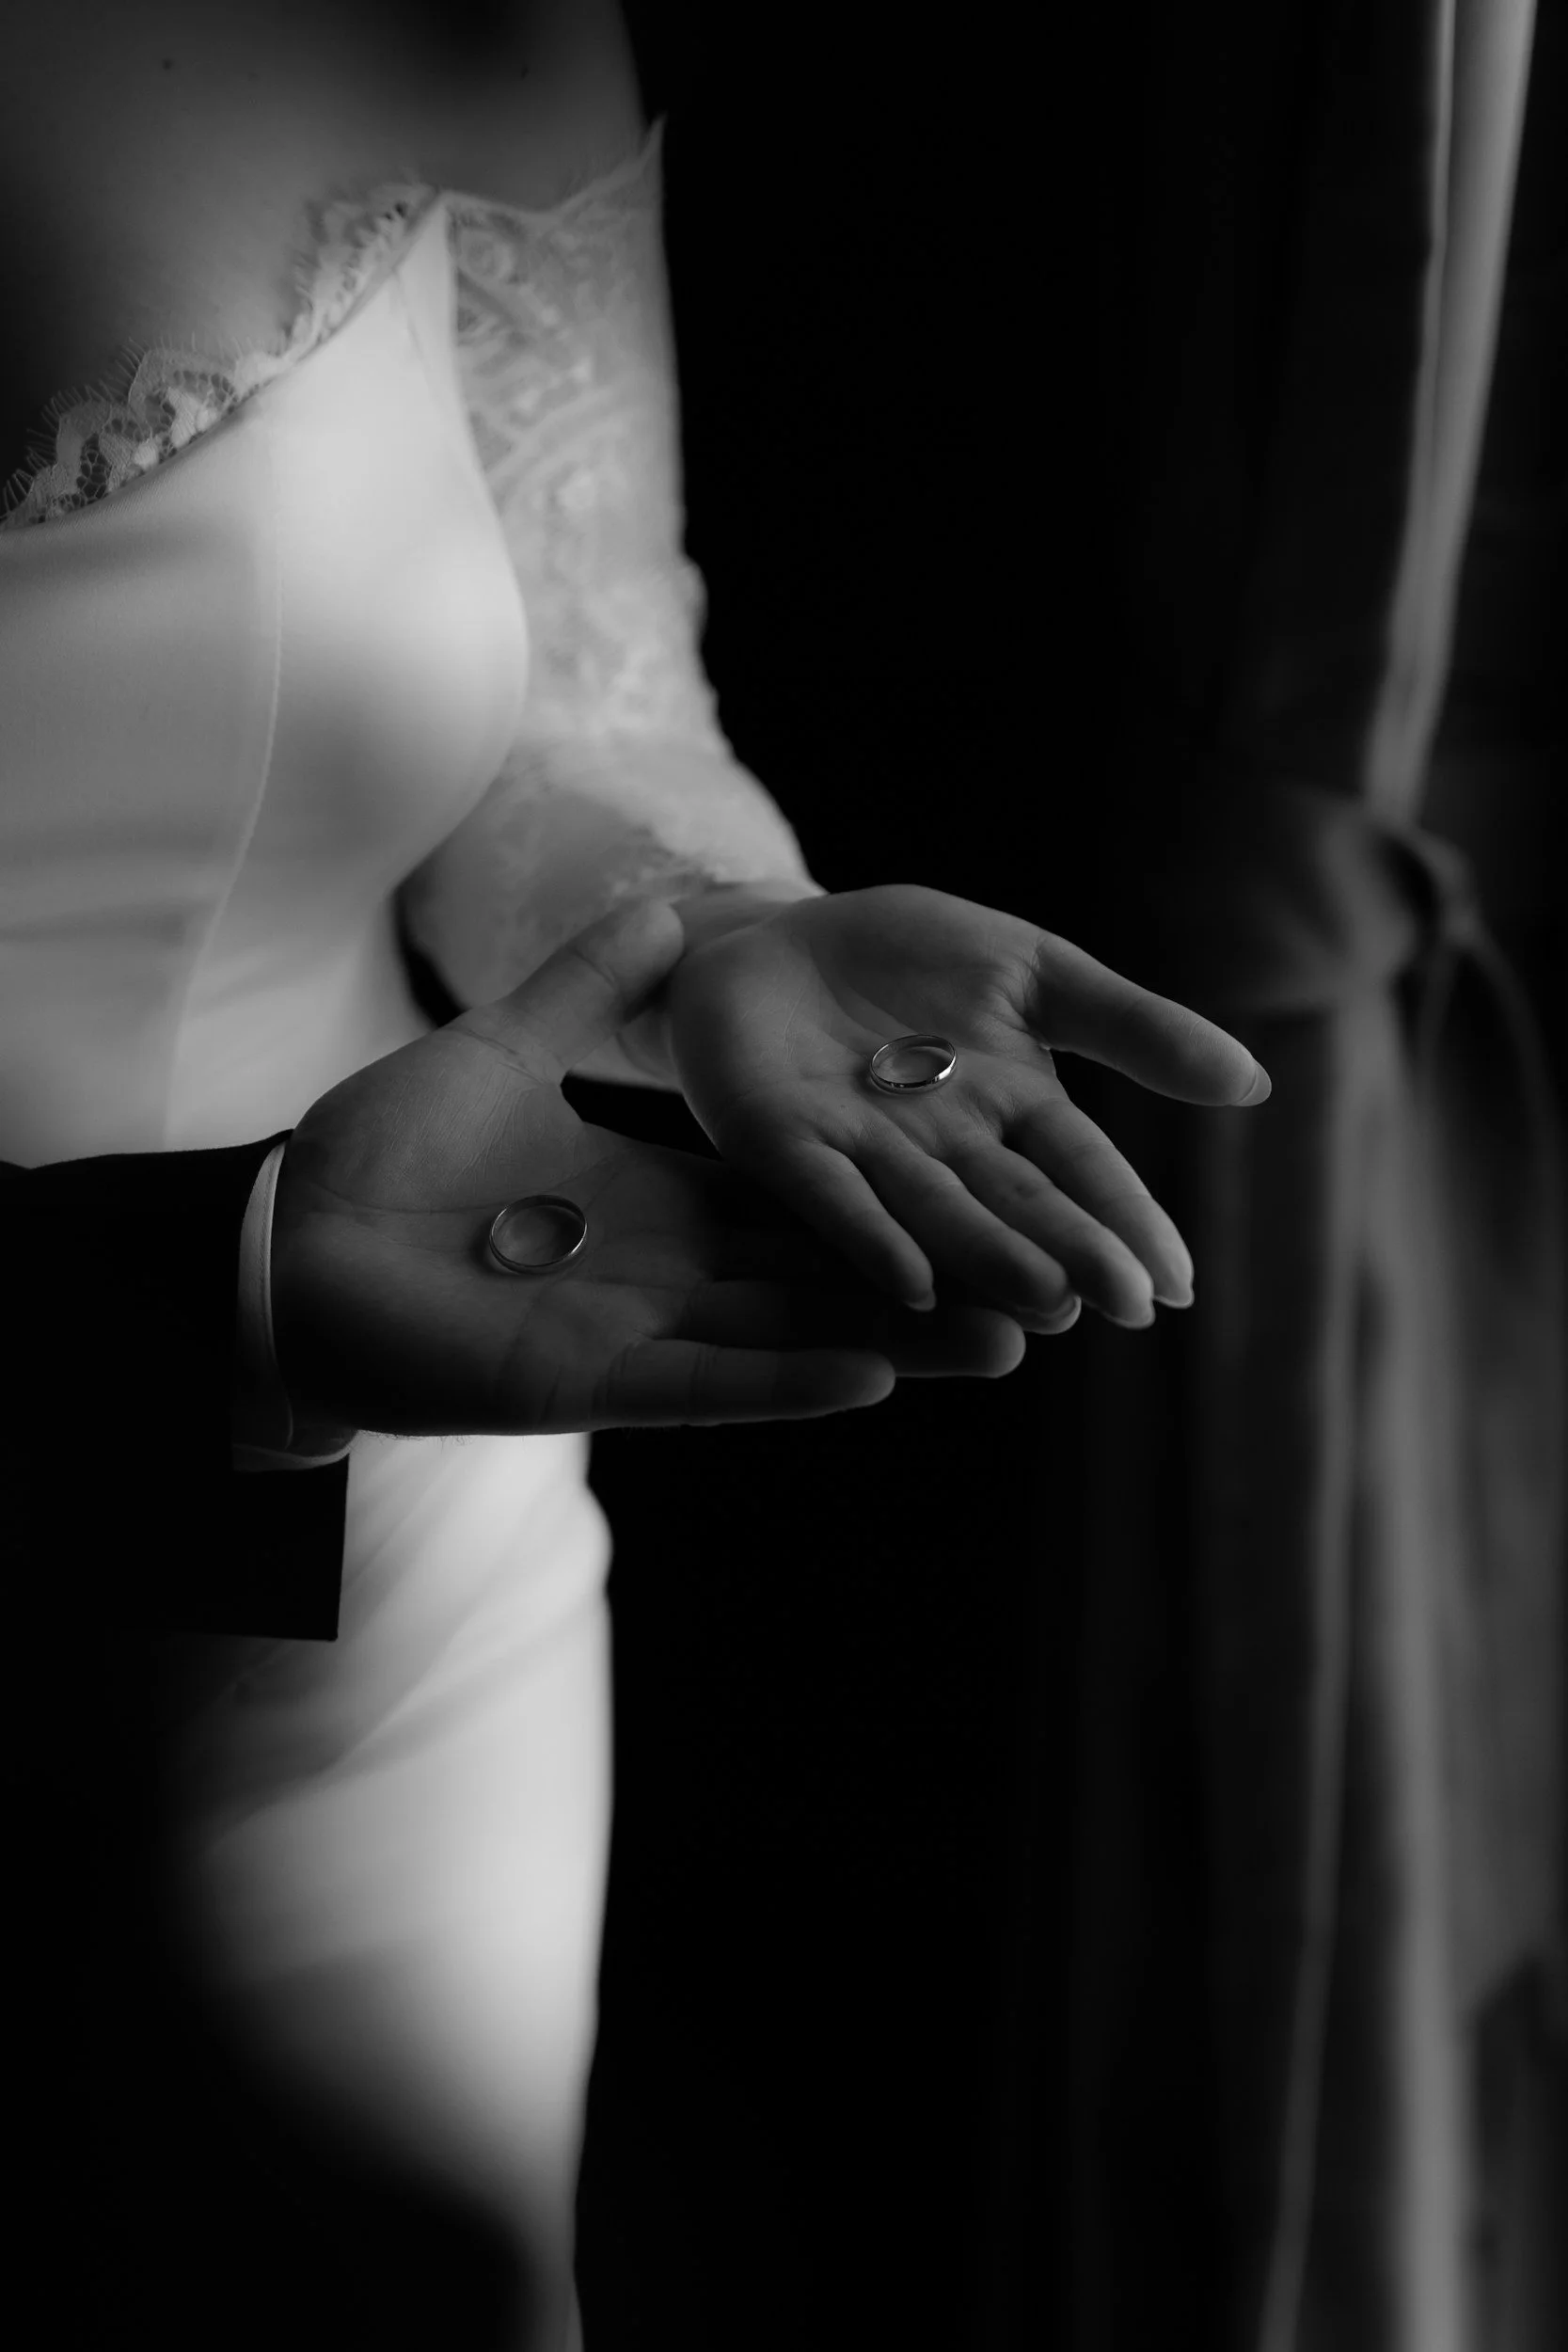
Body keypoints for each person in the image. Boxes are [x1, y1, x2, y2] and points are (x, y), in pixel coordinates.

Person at [0, 4, 1271, 2346]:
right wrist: (226, 1292)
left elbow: (577, 694)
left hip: (400, 1603)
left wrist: (711, 938)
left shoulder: (480, 13)